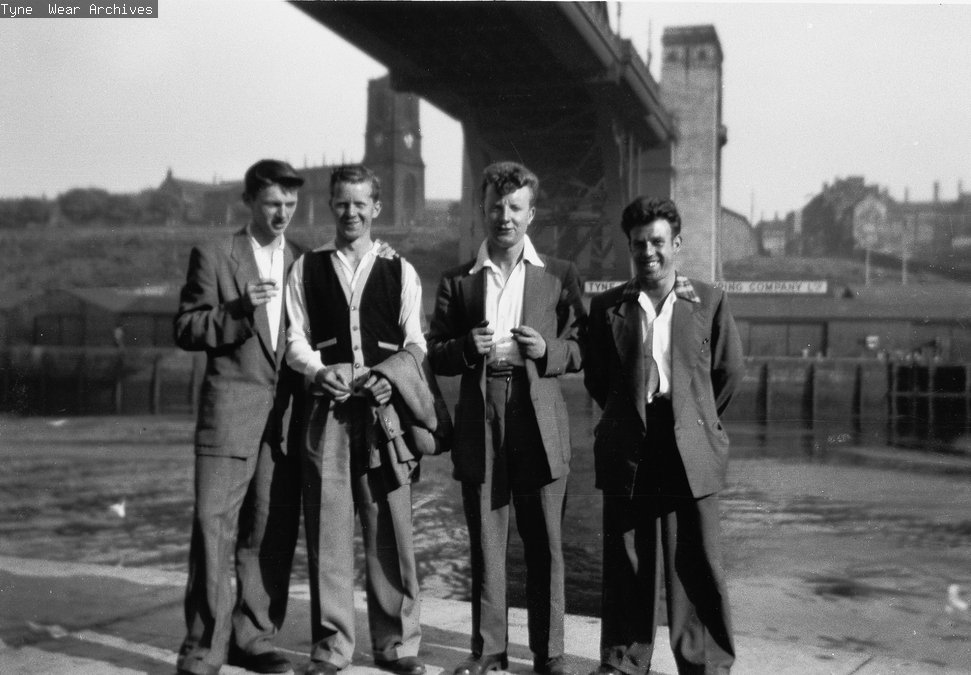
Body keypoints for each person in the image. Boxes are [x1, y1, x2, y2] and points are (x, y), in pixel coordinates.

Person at [427, 161, 585, 675]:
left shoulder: (560, 274)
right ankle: (489, 651)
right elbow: (435, 352)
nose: (504, 217)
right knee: (487, 538)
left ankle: (549, 653)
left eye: (515, 207)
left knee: (544, 540)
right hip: (482, 412)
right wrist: (462, 348)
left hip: (537, 412)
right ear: (483, 210)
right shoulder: (458, 281)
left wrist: (549, 350)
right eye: (495, 206)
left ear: (531, 214)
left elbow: (584, 348)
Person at [286, 164, 445, 675]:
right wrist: (316, 370)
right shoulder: (306, 268)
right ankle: (332, 647)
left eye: (361, 204)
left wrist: (390, 377)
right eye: (341, 203)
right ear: (330, 206)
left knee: (391, 528)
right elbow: (295, 339)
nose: (350, 213)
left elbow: (416, 342)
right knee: (329, 531)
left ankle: (398, 646)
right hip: (327, 413)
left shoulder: (401, 270)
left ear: (376, 208)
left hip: (384, 418)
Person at [583, 197, 744, 675]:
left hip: (688, 441)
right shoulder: (608, 306)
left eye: (657, 242)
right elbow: (598, 378)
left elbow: (728, 372)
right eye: (638, 244)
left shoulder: (709, 301)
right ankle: (624, 659)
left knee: (696, 559)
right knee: (627, 557)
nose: (648, 252)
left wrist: (694, 419)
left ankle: (705, 662)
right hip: (630, 441)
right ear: (629, 248)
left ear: (676, 244)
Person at [173, 159, 306, 675]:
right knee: (213, 527)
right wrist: (238, 310)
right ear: (250, 201)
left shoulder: (300, 261)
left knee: (268, 531)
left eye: (290, 205)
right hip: (229, 415)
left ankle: (253, 639)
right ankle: (205, 645)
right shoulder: (213, 254)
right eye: (273, 203)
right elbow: (186, 327)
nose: (282, 214)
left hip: (283, 421)